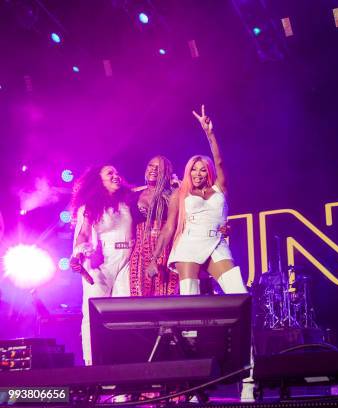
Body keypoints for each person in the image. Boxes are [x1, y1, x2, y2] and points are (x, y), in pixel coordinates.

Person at [147, 105, 247, 295]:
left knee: (238, 291)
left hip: (216, 241)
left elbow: (219, 161)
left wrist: (209, 134)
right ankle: (189, 327)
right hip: (189, 242)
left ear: (208, 172)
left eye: (202, 169)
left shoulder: (219, 188)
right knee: (190, 295)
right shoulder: (180, 194)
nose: (197, 173)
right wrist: (154, 258)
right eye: (193, 168)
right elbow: (169, 227)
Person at [70, 165, 133, 365]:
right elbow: (83, 234)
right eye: (110, 173)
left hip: (126, 261)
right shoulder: (89, 206)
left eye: (117, 172)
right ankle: (93, 366)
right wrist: (79, 254)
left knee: (124, 316)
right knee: (93, 314)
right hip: (100, 263)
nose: (116, 175)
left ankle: (121, 369)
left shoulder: (126, 201)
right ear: (99, 181)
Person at [129, 156, 179, 296]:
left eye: (159, 168)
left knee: (165, 298)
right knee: (139, 298)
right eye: (151, 165)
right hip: (139, 253)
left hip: (166, 250)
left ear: (167, 172)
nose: (154, 170)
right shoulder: (134, 195)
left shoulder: (172, 195)